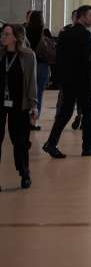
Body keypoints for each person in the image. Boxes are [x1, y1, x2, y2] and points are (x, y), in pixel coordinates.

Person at [43, 5, 91, 159]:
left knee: (65, 112)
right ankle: (87, 147)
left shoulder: (65, 33)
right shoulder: (86, 35)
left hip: (68, 80)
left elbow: (59, 57)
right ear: (82, 17)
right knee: (87, 113)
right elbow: (86, 60)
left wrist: (61, 78)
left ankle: (51, 143)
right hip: (83, 81)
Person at [0, 24, 38, 190]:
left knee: (20, 141)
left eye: (7, 34)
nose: (3, 37)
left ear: (15, 37)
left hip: (19, 104)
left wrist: (33, 104)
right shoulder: (1, 54)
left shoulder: (28, 56)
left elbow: (32, 82)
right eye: (3, 34)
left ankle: (24, 173)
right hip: (1, 103)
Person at [24, 10, 52, 129]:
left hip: (28, 65)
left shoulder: (25, 31)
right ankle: (34, 121)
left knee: (26, 92)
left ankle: (25, 118)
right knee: (39, 93)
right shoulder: (45, 32)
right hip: (42, 65)